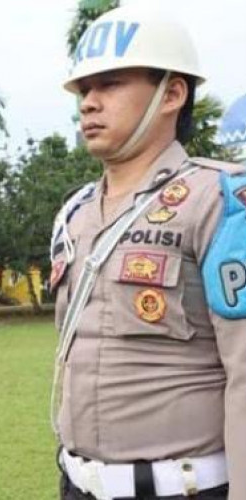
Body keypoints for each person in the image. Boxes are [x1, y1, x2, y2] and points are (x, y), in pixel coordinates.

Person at [50, 5, 246, 499]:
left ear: (172, 93)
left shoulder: (221, 200)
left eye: (110, 84)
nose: (89, 103)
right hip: (78, 484)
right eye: (84, 90)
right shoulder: (75, 214)